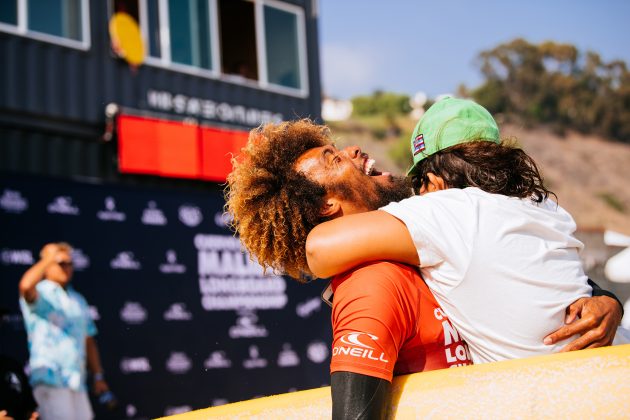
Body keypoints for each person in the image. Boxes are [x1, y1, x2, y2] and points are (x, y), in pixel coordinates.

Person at [225, 119, 621, 418]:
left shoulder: (421, 249)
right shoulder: (371, 282)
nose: (354, 150)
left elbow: (525, 268)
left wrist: (606, 299)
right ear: (326, 206)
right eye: (334, 159)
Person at [306, 97, 626, 363]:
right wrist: (609, 298)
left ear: (435, 182)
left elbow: (318, 250)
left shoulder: (447, 211)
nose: (418, 196)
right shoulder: (543, 205)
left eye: (420, 185)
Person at [18, 243, 110, 420]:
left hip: (77, 382)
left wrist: (98, 375)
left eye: (70, 264)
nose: (67, 268)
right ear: (47, 264)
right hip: (51, 381)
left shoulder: (78, 299)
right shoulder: (40, 292)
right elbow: (25, 286)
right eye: (61, 263)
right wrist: (49, 258)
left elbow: (88, 339)